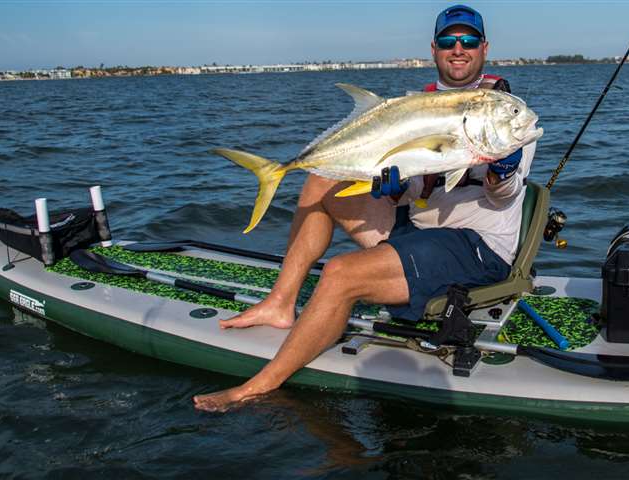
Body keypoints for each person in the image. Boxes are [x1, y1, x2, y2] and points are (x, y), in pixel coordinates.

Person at [194, 4, 537, 412]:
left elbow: (502, 196)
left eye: (468, 41)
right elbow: (414, 194)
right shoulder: (418, 106)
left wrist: (504, 169)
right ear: (434, 49)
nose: (457, 49)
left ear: (484, 48)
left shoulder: (504, 111)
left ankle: (257, 387)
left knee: (340, 274)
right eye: (448, 41)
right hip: (421, 231)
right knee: (320, 179)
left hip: (476, 247)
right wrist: (393, 190)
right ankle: (281, 302)